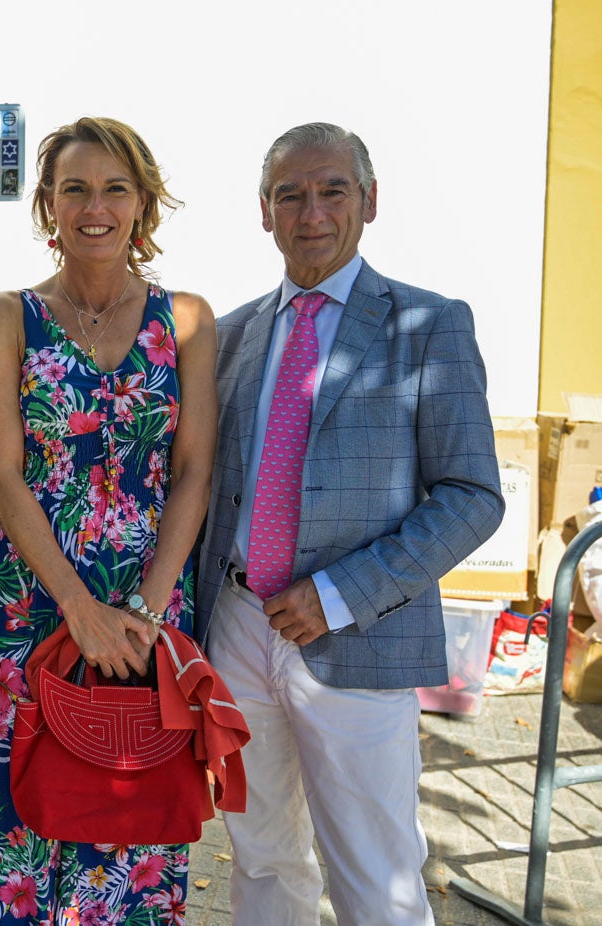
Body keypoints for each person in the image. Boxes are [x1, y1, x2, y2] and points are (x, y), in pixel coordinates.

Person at [194, 122, 505, 925]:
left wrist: (337, 594)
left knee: (376, 873)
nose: (312, 211)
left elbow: (472, 495)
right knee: (260, 856)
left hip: (357, 635)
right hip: (234, 625)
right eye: (289, 194)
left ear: (368, 201)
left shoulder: (428, 325)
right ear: (263, 211)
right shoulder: (229, 336)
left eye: (332, 189)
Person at [0, 117, 216, 924]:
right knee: (20, 820)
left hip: (150, 609)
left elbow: (192, 472)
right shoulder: (8, 315)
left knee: (135, 816)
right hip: (30, 605)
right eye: (74, 188)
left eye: (115, 188)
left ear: (142, 204)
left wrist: (141, 613)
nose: (94, 206)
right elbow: (1, 474)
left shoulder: (185, 320)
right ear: (47, 204)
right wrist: (79, 607)